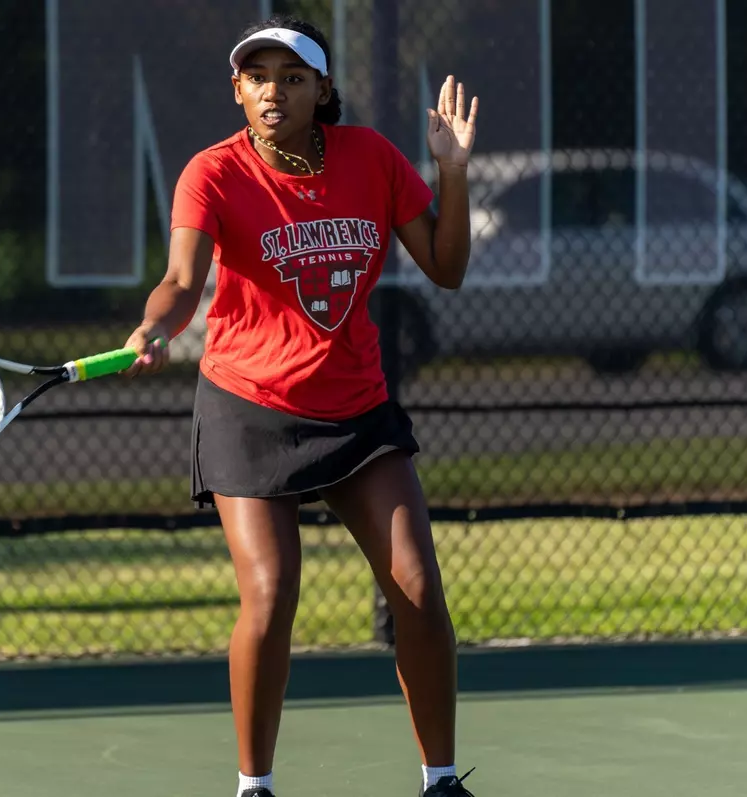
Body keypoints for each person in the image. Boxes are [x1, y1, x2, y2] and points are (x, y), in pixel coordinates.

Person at [122, 13, 480, 797]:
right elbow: (182, 280)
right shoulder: (211, 172)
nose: (272, 90)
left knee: (418, 589)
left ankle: (442, 780)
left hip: (357, 409)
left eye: (291, 77)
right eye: (256, 77)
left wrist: (451, 172)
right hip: (249, 406)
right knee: (273, 591)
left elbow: (446, 268)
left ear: (322, 88)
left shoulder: (373, 159)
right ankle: (254, 785)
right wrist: (155, 326)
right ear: (237, 91)